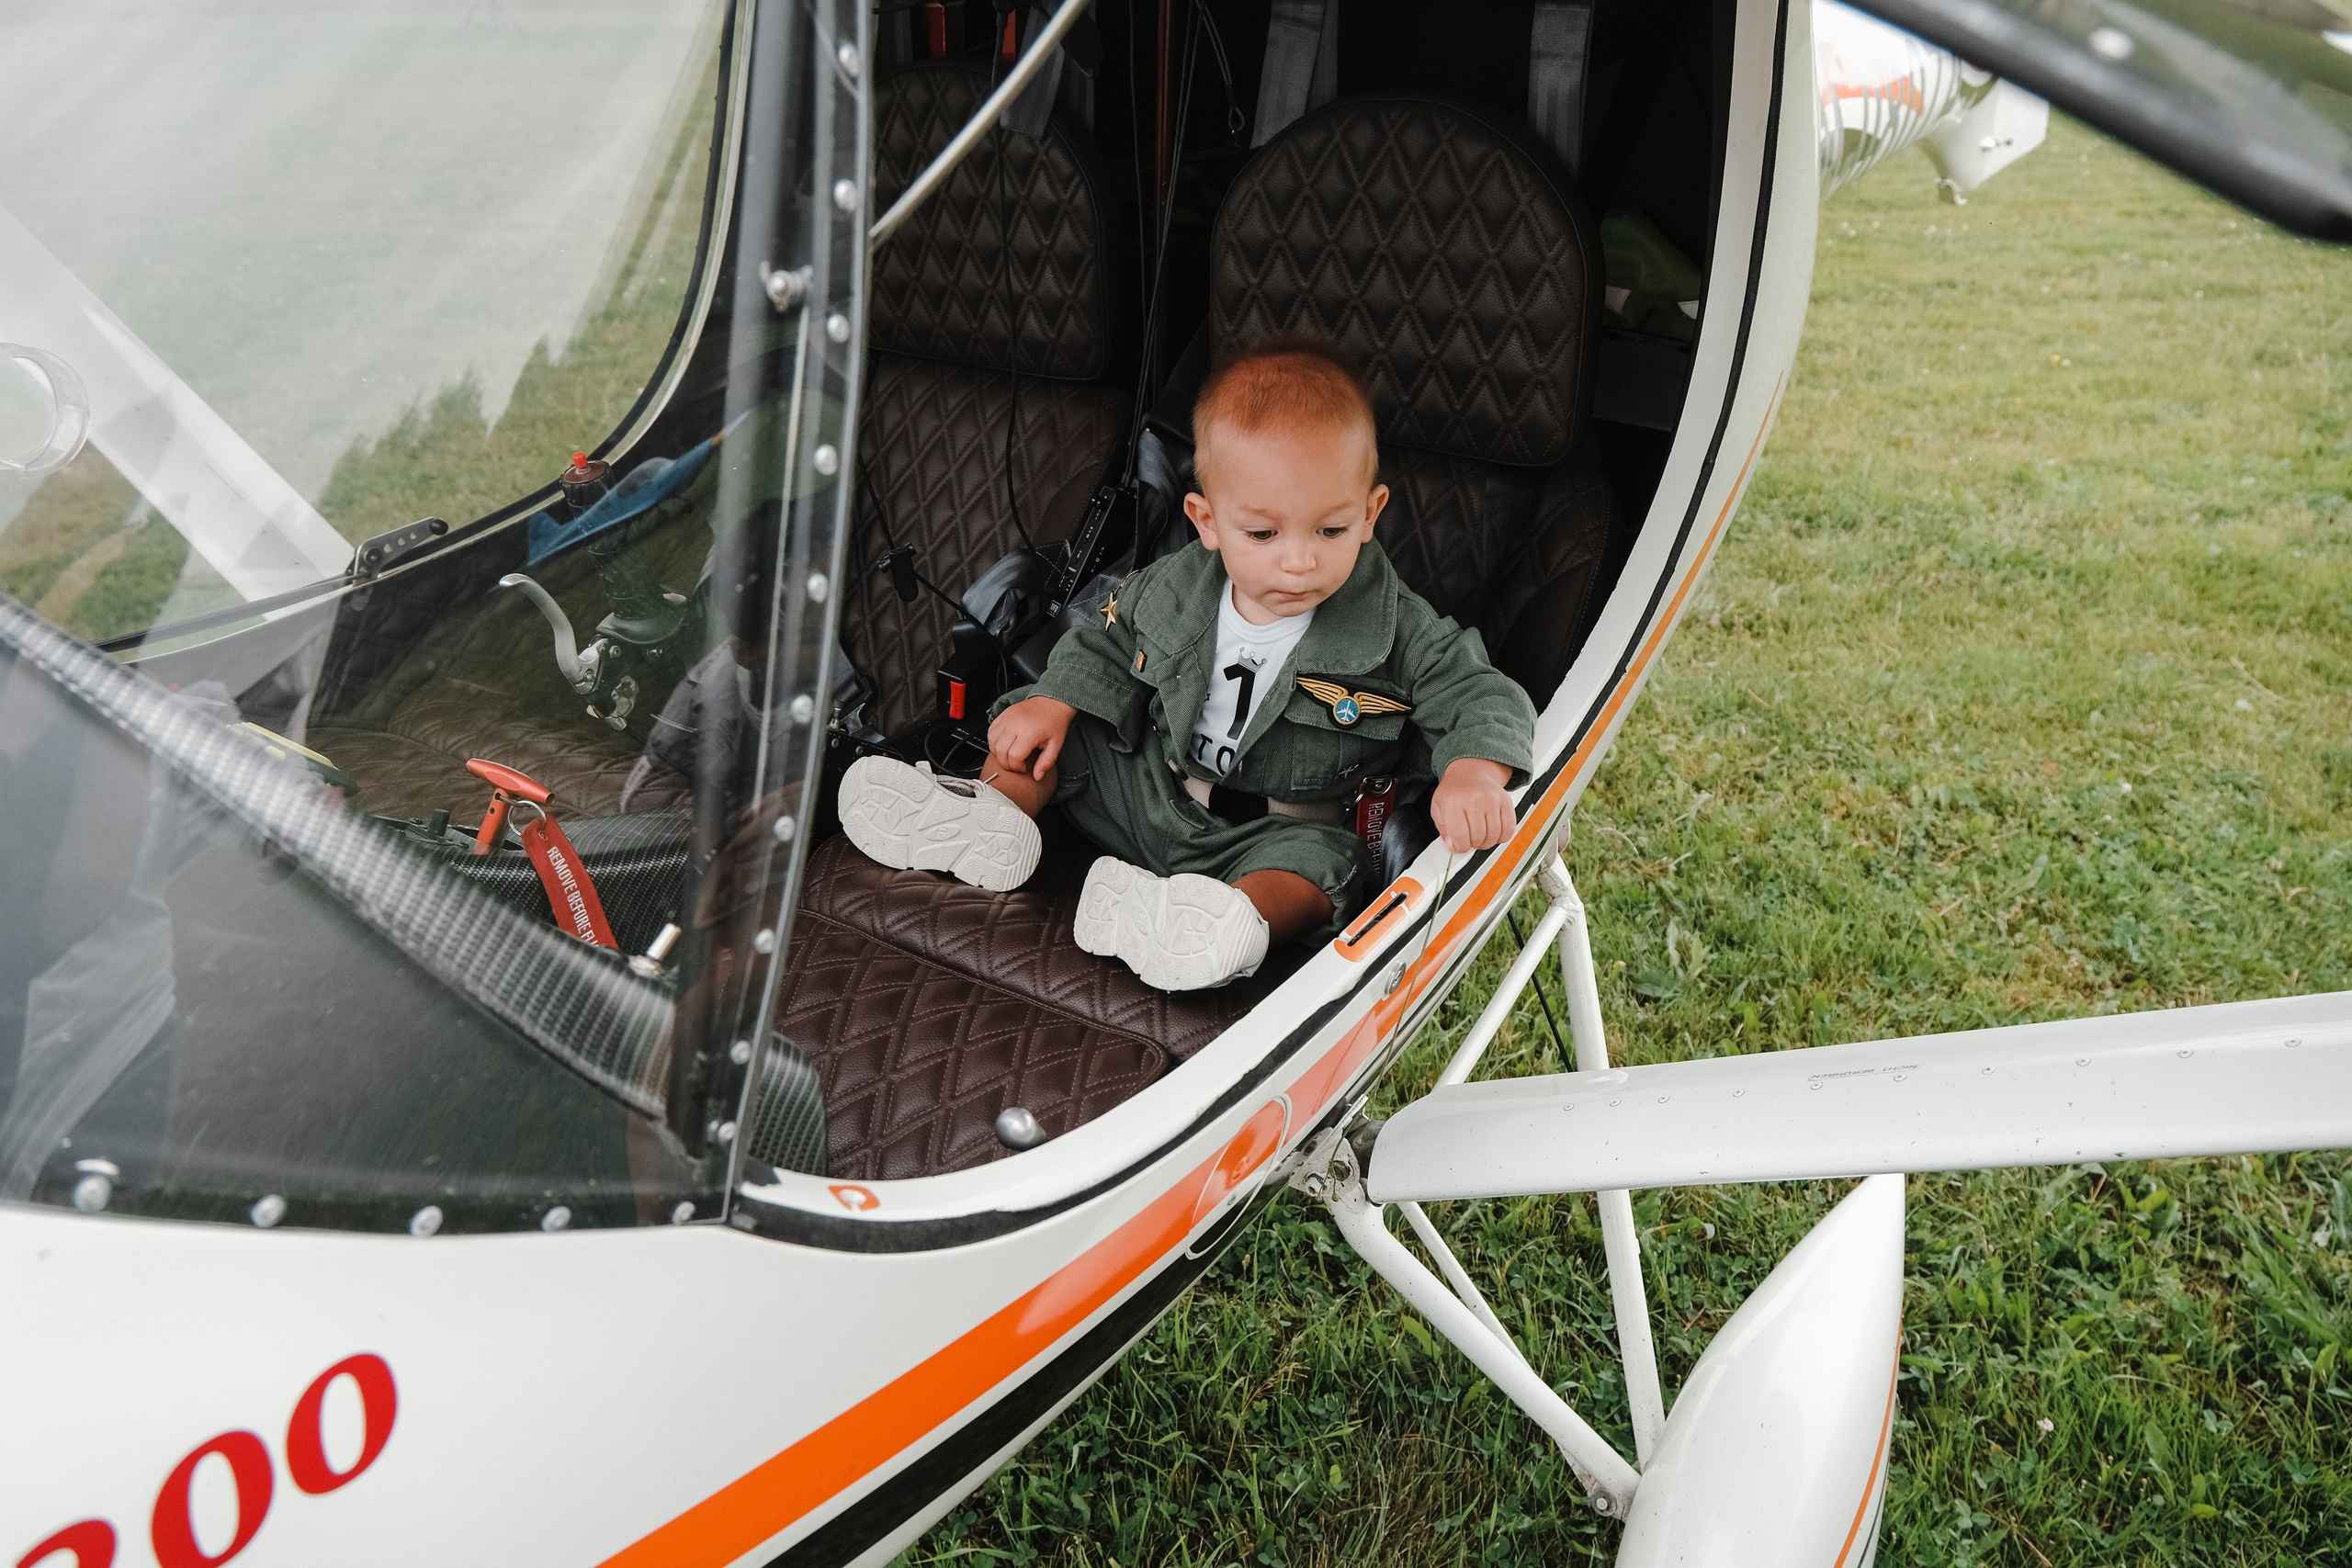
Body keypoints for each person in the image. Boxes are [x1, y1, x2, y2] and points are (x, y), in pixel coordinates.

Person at [835, 338, 1537, 991]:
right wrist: (1052, 702)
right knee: (1051, 735)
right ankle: (989, 815)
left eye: (1330, 529)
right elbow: (1104, 642)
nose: (1299, 558)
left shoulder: (1399, 627)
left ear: (1370, 511)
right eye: (1262, 533)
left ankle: (1219, 922)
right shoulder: (1178, 583)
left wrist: (1472, 772)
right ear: (1206, 521)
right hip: (1152, 790)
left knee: (1321, 871)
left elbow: (1481, 693)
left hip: (1275, 830)